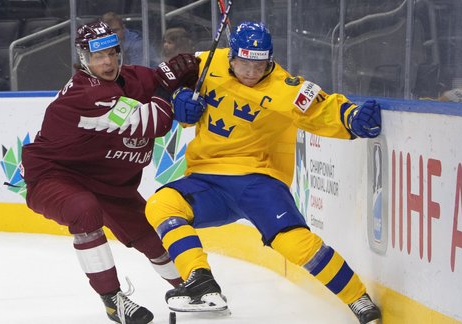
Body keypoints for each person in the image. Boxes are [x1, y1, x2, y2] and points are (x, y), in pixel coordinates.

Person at [145, 22, 383, 324]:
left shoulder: (287, 88)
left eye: (259, 63)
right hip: (207, 179)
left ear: (269, 59)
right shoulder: (206, 63)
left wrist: (353, 118)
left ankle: (357, 298)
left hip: (259, 180)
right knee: (160, 204)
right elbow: (161, 84)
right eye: (244, 62)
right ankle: (200, 280)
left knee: (294, 243)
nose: (251, 71)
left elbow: (325, 110)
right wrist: (177, 98)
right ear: (231, 57)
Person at [20, 21, 199, 324]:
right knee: (84, 209)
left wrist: (185, 72)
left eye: (111, 54)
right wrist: (171, 89)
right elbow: (153, 121)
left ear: (119, 53)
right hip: (54, 176)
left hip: (108, 183)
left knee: (152, 236)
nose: (106, 63)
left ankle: (191, 291)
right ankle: (113, 300)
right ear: (84, 59)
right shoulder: (86, 95)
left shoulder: (132, 77)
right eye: (96, 57)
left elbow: (162, 79)